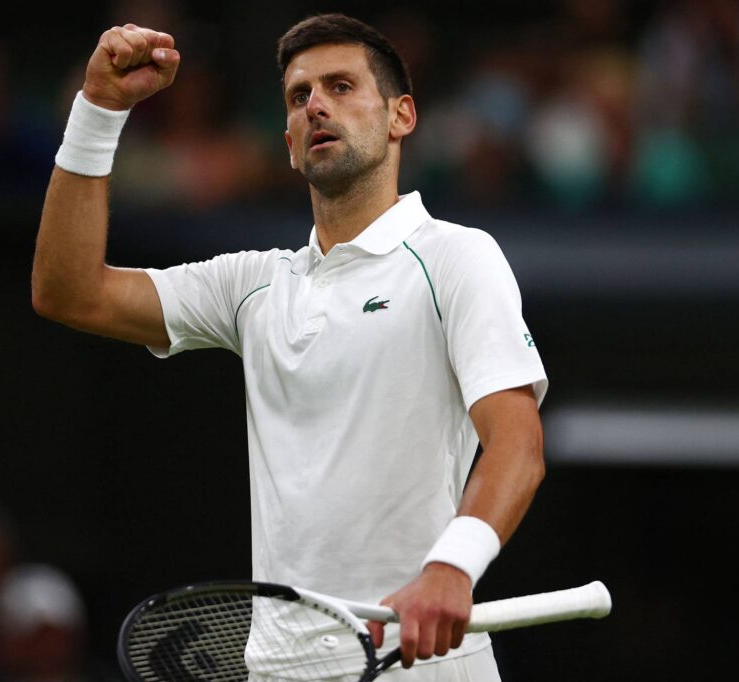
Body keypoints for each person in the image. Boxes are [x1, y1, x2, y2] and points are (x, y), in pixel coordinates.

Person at [32, 14, 547, 680]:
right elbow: (68, 291)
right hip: (279, 668)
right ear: (288, 141)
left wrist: (451, 568)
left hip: (426, 668)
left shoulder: (458, 258)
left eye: (340, 86)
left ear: (401, 116)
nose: (316, 106)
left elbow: (518, 446)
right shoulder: (252, 284)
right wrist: (99, 110)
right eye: (299, 96)